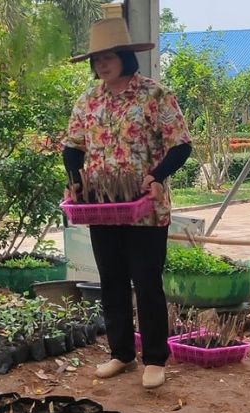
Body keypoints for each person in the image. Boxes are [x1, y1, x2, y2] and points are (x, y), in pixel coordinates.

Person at [62, 17, 193, 389]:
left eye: (109, 57)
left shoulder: (155, 95)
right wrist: (75, 182)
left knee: (147, 281)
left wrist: (157, 176)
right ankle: (121, 353)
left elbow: (181, 144)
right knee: (111, 280)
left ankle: (155, 358)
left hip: (145, 207)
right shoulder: (88, 100)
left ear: (125, 57)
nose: (102, 64)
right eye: (97, 59)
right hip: (102, 206)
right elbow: (72, 146)